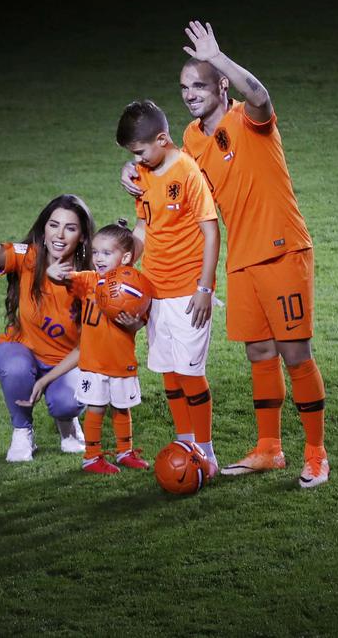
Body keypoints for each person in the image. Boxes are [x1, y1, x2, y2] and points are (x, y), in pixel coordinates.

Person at [121, 20, 330, 488]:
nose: (190, 94)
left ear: (219, 84)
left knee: (295, 354)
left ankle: (316, 453)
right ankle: (268, 449)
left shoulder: (248, 118)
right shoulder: (192, 140)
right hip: (241, 258)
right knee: (259, 352)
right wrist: (134, 167)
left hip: (283, 249)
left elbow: (259, 93)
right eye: (183, 87)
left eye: (199, 85)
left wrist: (217, 57)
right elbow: (168, 164)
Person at [115, 100, 222, 476]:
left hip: (188, 294)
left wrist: (205, 289)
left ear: (162, 139)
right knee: (170, 375)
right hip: (154, 293)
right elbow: (146, 227)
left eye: (140, 151)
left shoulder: (188, 173)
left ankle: (206, 451)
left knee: (191, 375)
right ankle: (185, 439)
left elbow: (212, 232)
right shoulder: (143, 175)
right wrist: (128, 260)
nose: (137, 159)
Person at [0, 187, 91, 462]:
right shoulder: (29, 256)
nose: (59, 235)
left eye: (70, 228)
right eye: (53, 225)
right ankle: (22, 431)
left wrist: (47, 379)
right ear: (44, 227)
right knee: (15, 368)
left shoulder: (89, 278)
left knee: (67, 402)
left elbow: (87, 348)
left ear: (82, 235)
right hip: (22, 349)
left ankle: (69, 423)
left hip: (67, 362)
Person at [46, 220, 150, 474]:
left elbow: (138, 325)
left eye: (106, 253)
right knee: (96, 408)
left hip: (121, 360)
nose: (99, 258)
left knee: (122, 407)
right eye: (95, 252)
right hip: (93, 362)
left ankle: (125, 451)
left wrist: (132, 323)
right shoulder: (90, 280)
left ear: (125, 257)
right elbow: (65, 280)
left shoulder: (136, 284)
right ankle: (92, 456)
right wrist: (53, 274)